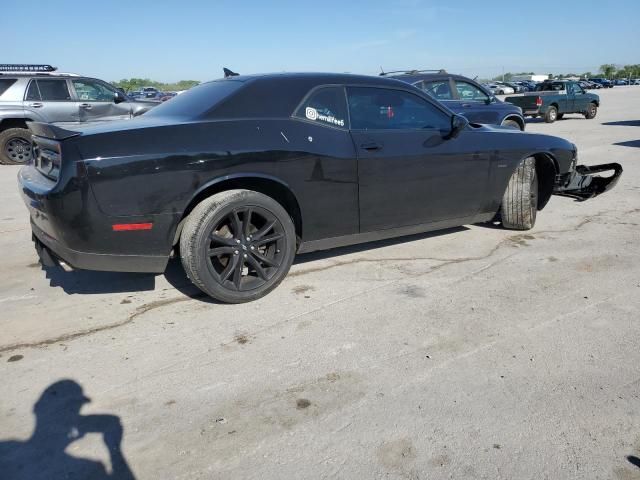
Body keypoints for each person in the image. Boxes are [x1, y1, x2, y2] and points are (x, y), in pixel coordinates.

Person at [0, 380, 135, 479]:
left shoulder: (6, 450)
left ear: (36, 408)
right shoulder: (90, 467)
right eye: (72, 409)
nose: (75, 414)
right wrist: (114, 449)